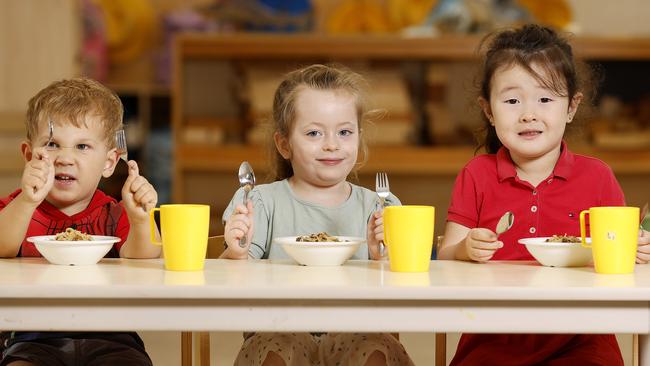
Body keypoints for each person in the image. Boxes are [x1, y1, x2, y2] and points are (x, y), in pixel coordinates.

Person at [438, 24, 650, 365]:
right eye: (511, 100)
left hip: (582, 337)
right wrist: (465, 249)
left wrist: (637, 249)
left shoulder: (597, 176)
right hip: (494, 337)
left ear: (571, 106)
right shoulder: (476, 175)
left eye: (545, 98)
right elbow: (445, 260)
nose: (528, 113)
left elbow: (620, 259)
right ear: (489, 110)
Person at [222, 64, 414, 366]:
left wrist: (384, 262)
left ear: (359, 139)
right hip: (277, 328)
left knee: (374, 349)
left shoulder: (381, 207)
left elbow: (407, 293)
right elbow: (227, 283)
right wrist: (235, 254)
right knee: (277, 349)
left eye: (345, 132)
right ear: (284, 144)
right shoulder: (259, 202)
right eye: (314, 132)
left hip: (359, 332)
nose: (332, 144)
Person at [0, 77, 161, 366]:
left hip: (112, 336)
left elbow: (145, 259)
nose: (64, 158)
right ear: (28, 155)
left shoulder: (113, 212)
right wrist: (27, 201)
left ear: (109, 162)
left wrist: (140, 220)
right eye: (51, 144)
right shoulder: (18, 207)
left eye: (82, 147)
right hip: (33, 338)